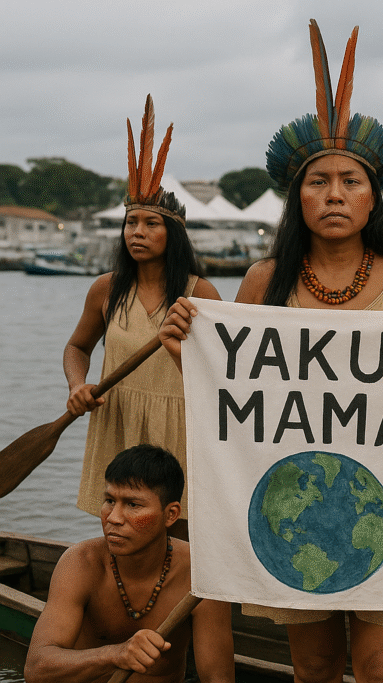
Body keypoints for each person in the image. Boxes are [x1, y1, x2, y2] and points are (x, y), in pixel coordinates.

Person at [159, 22, 383, 683]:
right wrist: (181, 345)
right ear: (296, 197)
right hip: (295, 502)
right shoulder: (260, 282)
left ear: (372, 196)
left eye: (351, 181)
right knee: (315, 669)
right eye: (319, 181)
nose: (334, 194)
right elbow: (231, 392)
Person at [64, 95, 220, 539]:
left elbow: (221, 373)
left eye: (151, 223)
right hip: (118, 416)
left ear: (173, 234)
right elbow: (78, 347)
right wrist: (78, 385)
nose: (138, 232)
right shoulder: (106, 288)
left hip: (180, 423)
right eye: (131, 223)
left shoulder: (199, 294)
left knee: (180, 537)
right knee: (120, 531)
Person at [24, 444, 234, 683]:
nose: (113, 518)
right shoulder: (81, 564)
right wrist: (116, 655)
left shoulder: (200, 572)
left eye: (133, 505)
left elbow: (219, 678)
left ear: (171, 514)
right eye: (110, 500)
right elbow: (36, 669)